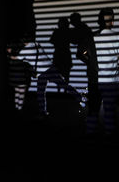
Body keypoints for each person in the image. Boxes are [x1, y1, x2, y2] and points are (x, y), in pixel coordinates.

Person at [17, 33, 86, 118]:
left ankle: (43, 112)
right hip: (51, 68)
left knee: (40, 93)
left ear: (23, 42)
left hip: (42, 73)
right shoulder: (36, 44)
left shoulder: (24, 50)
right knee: (64, 85)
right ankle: (79, 97)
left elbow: (17, 58)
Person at [69, 12, 101, 134]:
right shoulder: (86, 30)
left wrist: (89, 60)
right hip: (95, 68)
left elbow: (80, 50)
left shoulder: (84, 31)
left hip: (94, 68)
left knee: (94, 91)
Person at [91, 8, 119, 136]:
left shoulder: (94, 38)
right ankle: (109, 133)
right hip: (113, 80)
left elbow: (87, 56)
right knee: (110, 109)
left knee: (93, 109)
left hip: (98, 79)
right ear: (112, 21)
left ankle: (90, 133)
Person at [6, 39, 34, 112]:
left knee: (17, 93)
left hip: (13, 75)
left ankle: (16, 109)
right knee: (21, 94)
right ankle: (19, 110)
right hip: (22, 75)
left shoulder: (10, 50)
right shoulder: (24, 50)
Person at [50, 17, 73, 89]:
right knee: (66, 75)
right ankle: (64, 91)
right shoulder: (68, 32)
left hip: (59, 54)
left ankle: (59, 91)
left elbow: (52, 41)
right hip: (65, 54)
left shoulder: (57, 32)